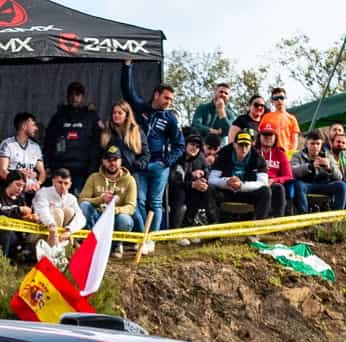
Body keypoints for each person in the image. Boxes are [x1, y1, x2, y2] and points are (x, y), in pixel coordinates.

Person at [120, 61, 184, 235]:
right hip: (140, 163)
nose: (168, 102)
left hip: (159, 165)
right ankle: (143, 236)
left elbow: (180, 145)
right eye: (166, 98)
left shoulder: (170, 118)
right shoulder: (140, 107)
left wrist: (166, 162)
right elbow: (128, 90)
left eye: (171, 99)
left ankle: (152, 240)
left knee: (156, 203)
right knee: (139, 201)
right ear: (156, 95)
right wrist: (127, 66)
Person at [212, 129, 275, 220]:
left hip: (247, 193)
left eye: (246, 145)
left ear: (251, 145)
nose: (244, 149)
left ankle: (259, 225)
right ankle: (213, 221)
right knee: (209, 188)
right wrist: (226, 181)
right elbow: (212, 179)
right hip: (226, 192)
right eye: (241, 145)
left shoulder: (258, 159)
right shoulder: (223, 155)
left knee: (266, 191)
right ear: (234, 144)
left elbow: (263, 183)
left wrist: (242, 185)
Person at [44, 83, 101, 179]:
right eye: (71, 94)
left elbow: (97, 144)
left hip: (83, 170)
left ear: (83, 97)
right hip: (60, 168)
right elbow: (49, 142)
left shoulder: (91, 116)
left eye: (77, 94)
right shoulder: (58, 116)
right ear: (67, 97)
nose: (74, 97)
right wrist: (48, 164)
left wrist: (93, 169)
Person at [79, 146, 137, 236]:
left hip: (116, 217)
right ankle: (94, 239)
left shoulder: (130, 180)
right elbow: (81, 200)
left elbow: (131, 207)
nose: (112, 163)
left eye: (115, 160)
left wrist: (114, 210)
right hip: (97, 215)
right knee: (84, 206)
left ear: (121, 161)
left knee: (125, 220)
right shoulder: (93, 177)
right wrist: (100, 199)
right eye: (109, 160)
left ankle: (117, 243)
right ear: (103, 161)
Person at [32, 166, 85, 258]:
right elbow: (41, 211)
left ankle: (61, 250)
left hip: (61, 235)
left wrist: (69, 230)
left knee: (70, 211)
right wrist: (51, 224)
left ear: (70, 184)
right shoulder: (43, 192)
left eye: (66, 183)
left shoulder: (71, 198)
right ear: (53, 182)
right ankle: (51, 252)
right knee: (58, 212)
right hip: (41, 232)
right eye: (60, 182)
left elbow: (81, 217)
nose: (63, 186)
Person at [298, 130, 346, 212]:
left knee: (341, 185)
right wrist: (310, 167)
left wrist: (329, 168)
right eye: (312, 143)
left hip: (324, 184)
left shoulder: (327, 155)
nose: (315, 146)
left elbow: (340, 177)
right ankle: (303, 214)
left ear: (321, 144)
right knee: (298, 185)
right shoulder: (298, 155)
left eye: (318, 144)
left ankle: (336, 216)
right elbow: (293, 171)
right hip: (306, 185)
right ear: (306, 144)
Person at [255, 124, 297, 215]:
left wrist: (274, 180)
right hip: (256, 183)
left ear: (275, 137)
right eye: (265, 135)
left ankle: (278, 220)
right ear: (259, 137)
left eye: (271, 135)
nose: (268, 137)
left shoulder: (280, 153)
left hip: (273, 184)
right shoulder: (253, 152)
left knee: (279, 188)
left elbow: (288, 176)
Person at [0, 112, 44, 182]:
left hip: (33, 189)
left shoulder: (36, 147)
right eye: (33, 125)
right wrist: (19, 182)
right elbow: (2, 172)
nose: (36, 128)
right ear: (24, 126)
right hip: (15, 191)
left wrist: (38, 183)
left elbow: (42, 172)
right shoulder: (7, 144)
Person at [190, 82, 235, 151]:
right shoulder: (203, 108)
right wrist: (211, 130)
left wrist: (221, 112)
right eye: (221, 92)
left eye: (226, 93)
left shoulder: (230, 114)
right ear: (215, 92)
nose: (223, 94)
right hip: (200, 148)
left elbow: (229, 131)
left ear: (228, 97)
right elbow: (195, 125)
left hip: (218, 150)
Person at [260, 87, 300, 156]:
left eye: (281, 97)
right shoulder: (266, 117)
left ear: (285, 99)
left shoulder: (292, 118)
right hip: (269, 155)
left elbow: (294, 141)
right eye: (276, 98)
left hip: (286, 155)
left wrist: (290, 155)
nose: (279, 100)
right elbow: (260, 136)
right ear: (272, 101)